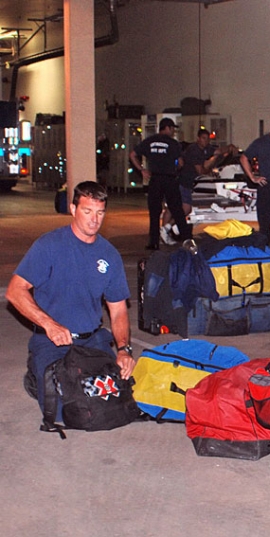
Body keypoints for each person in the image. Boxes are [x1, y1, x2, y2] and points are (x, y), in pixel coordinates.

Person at [6, 181, 135, 419]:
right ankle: (36, 376)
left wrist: (124, 350)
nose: (94, 220)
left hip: (91, 340)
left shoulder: (109, 255)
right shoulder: (49, 245)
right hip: (52, 341)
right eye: (87, 211)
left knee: (117, 399)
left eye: (99, 213)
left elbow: (118, 311)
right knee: (65, 411)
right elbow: (15, 291)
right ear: (73, 209)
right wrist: (49, 324)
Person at [129, 117, 188, 250]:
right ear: (167, 128)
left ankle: (153, 242)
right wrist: (177, 169)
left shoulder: (149, 141)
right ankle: (186, 239)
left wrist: (142, 170)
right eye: (172, 128)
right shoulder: (173, 143)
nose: (173, 131)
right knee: (177, 210)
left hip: (154, 179)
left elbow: (132, 154)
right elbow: (181, 162)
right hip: (169, 179)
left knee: (154, 211)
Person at [241, 111, 270, 240]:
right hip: (266, 187)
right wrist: (252, 177)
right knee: (264, 227)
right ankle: (263, 255)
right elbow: (244, 158)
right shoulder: (262, 142)